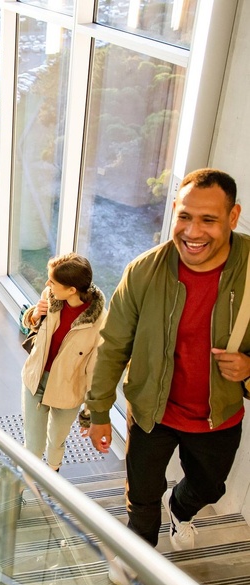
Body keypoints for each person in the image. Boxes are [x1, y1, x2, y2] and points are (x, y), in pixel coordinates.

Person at [87, 169, 250, 564]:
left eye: (208, 219)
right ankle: (138, 555)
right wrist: (98, 412)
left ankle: (180, 510)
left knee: (209, 487)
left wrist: (248, 368)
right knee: (142, 496)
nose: (192, 231)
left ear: (233, 217)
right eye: (184, 216)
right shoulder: (144, 271)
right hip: (151, 413)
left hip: (219, 417)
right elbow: (113, 346)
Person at [21, 254, 106, 471]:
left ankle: (52, 479)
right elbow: (35, 329)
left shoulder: (100, 322)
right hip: (36, 379)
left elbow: (95, 370)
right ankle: (25, 485)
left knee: (56, 442)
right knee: (32, 446)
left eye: (53, 282)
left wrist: (90, 411)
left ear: (72, 290)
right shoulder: (51, 296)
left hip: (68, 391)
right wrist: (34, 315)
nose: (47, 284)